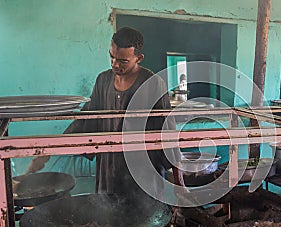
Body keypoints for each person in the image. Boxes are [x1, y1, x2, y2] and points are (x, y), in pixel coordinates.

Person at [28, 27, 185, 195]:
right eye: (112, 57)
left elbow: (166, 129)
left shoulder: (152, 83)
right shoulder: (103, 80)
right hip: (108, 169)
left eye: (123, 61)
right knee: (106, 216)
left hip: (143, 170)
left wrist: (178, 180)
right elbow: (85, 120)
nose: (115, 64)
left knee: (145, 217)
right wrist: (47, 152)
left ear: (139, 58)